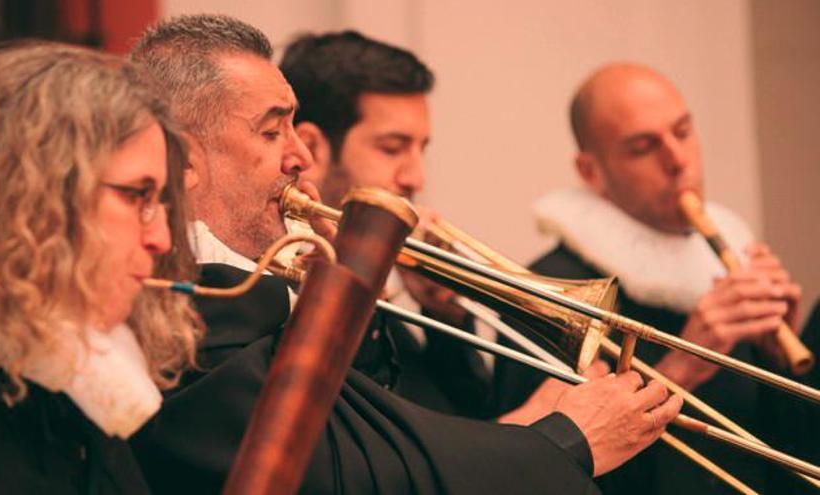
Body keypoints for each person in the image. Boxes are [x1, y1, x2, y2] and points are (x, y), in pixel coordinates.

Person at [128, 15, 681, 495]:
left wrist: (427, 317)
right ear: (183, 157)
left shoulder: (256, 290)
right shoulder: (179, 306)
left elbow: (389, 431)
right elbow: (359, 475)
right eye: (273, 131)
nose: (299, 157)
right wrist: (561, 439)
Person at [494, 62, 807, 494]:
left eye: (682, 132)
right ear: (590, 172)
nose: (678, 161)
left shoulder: (724, 262)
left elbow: (777, 451)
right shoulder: (550, 291)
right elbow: (534, 471)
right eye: (643, 148)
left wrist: (775, 364)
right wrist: (685, 364)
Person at [0, 41, 202, 494]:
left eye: (160, 201)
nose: (161, 238)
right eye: (137, 195)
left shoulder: (84, 383)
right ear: (28, 192)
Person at [279, 30, 493, 418]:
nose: (416, 178)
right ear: (311, 146)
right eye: (392, 148)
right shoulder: (279, 283)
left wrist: (442, 315)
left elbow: (464, 416)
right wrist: (543, 430)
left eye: (421, 148)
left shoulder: (394, 280)